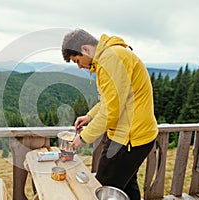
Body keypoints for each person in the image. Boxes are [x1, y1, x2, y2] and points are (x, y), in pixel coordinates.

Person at [61, 29, 158, 200]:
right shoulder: (112, 55)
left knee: (102, 189)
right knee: (127, 188)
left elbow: (111, 111)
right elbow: (111, 100)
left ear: (85, 49)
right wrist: (90, 117)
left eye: (77, 60)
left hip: (128, 140)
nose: (79, 66)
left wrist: (83, 138)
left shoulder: (110, 59)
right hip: (134, 138)